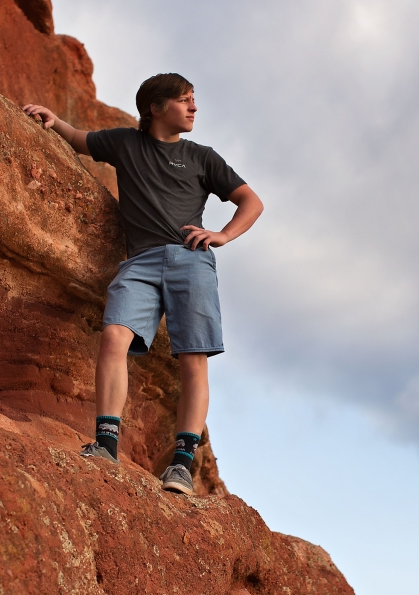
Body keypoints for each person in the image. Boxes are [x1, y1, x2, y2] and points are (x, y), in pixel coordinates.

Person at [22, 73, 263, 495]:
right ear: (155, 107)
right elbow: (80, 139)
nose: (193, 108)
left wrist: (222, 234)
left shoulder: (203, 157)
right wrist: (53, 120)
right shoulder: (125, 144)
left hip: (191, 261)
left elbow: (251, 201)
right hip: (141, 263)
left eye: (194, 100)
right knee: (114, 335)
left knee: (193, 358)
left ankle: (182, 465)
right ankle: (106, 444)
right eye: (185, 100)